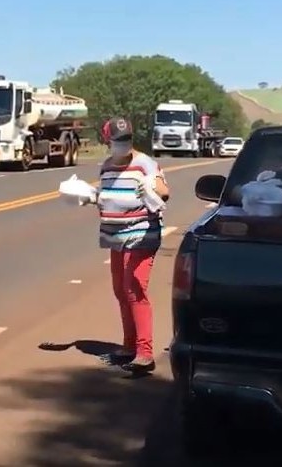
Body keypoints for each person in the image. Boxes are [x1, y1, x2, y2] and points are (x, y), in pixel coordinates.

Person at [95, 117, 169, 376]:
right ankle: (128, 345)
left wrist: (152, 188)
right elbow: (105, 198)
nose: (121, 145)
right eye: (117, 141)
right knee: (120, 290)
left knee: (134, 288)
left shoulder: (144, 163)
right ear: (108, 141)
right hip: (115, 238)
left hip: (141, 235)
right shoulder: (106, 167)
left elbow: (163, 190)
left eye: (125, 140)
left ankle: (144, 353)